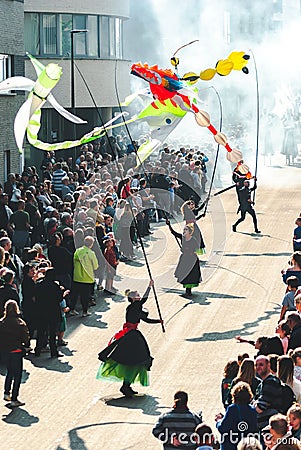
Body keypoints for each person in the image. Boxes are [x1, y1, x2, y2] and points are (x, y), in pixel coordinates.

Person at [97, 280, 163, 397]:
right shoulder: (135, 306)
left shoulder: (134, 308)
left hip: (131, 334)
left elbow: (146, 319)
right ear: (132, 299)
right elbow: (144, 301)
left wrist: (158, 321)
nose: (139, 297)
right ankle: (126, 386)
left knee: (132, 361)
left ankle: (126, 385)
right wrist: (149, 287)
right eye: (137, 296)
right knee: (135, 360)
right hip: (131, 336)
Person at [0, 300, 30, 407]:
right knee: (17, 375)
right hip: (16, 351)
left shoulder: (2, 323)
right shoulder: (20, 323)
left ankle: (6, 393)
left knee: (9, 372)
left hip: (5, 352)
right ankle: (14, 398)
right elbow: (26, 338)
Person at [215, 382, 258, 450]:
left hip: (231, 446)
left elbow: (223, 428)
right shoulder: (253, 410)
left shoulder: (232, 409)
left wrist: (218, 421)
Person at [166, 220, 202, 297]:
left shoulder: (193, 240)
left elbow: (197, 250)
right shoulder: (182, 238)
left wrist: (190, 252)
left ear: (190, 231)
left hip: (191, 259)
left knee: (191, 275)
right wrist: (169, 225)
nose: (184, 231)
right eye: (184, 229)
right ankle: (187, 290)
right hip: (184, 259)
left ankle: (189, 291)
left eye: (186, 230)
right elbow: (173, 233)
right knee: (185, 274)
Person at [70, 236, 98, 317]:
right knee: (85, 296)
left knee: (74, 295)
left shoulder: (77, 251)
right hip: (87, 278)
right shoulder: (91, 253)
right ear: (91, 244)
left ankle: (72, 309)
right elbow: (95, 266)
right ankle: (85, 311)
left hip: (77, 276)